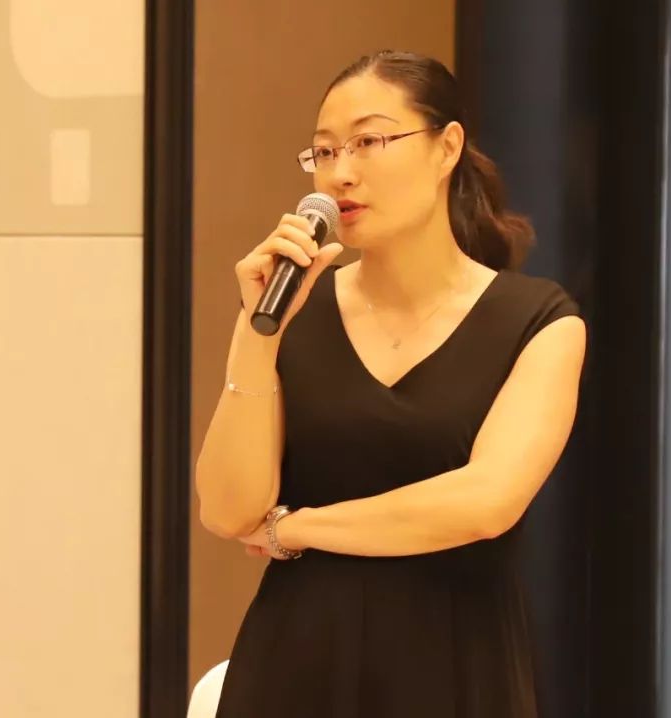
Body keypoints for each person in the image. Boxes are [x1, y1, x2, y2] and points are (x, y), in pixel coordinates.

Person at [194, 50, 586, 718]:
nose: (340, 173)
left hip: (456, 666)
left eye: (369, 142)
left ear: (447, 147)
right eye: (324, 152)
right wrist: (258, 333)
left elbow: (484, 502)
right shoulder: (292, 311)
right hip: (296, 663)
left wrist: (300, 527)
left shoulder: (539, 320)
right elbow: (229, 510)